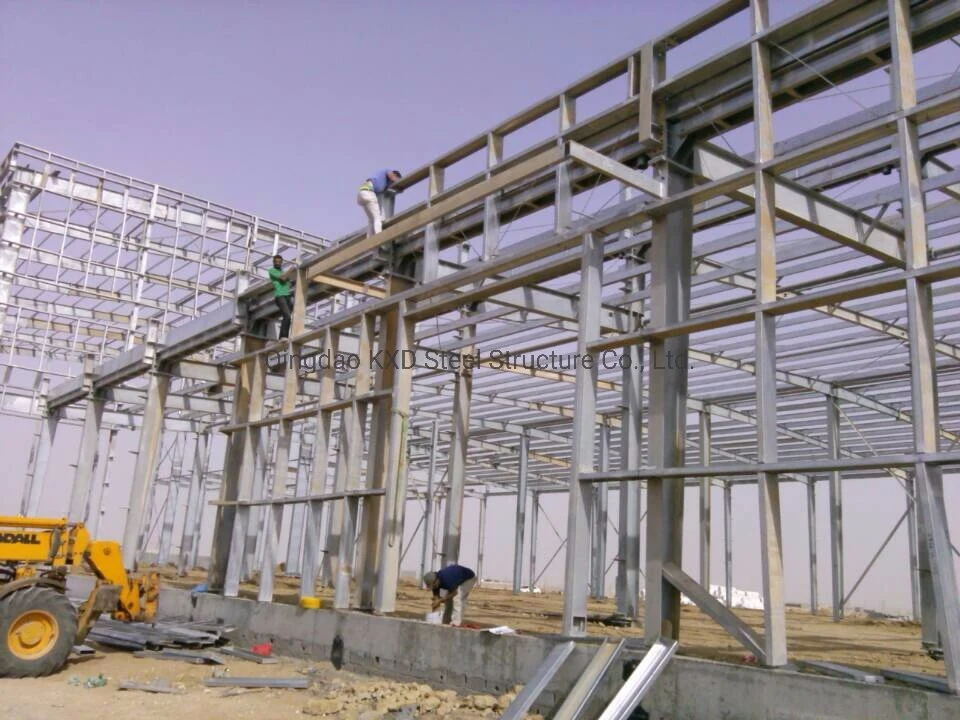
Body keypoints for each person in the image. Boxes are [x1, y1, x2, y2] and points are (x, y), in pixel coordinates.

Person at [357, 169, 403, 237]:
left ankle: (369, 239)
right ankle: (380, 237)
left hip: (362, 194)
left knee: (371, 220)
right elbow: (391, 176)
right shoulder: (387, 171)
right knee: (378, 218)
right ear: (395, 175)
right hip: (368, 192)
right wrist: (398, 182)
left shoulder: (382, 183)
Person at [268, 254, 294, 340]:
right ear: (273, 263)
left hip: (287, 296)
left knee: (288, 316)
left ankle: (284, 336)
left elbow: (289, 282)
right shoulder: (272, 271)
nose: (278, 263)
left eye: (279, 262)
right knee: (287, 315)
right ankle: (283, 336)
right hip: (280, 296)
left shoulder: (283, 272)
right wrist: (291, 270)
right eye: (276, 262)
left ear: (282, 262)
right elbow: (283, 278)